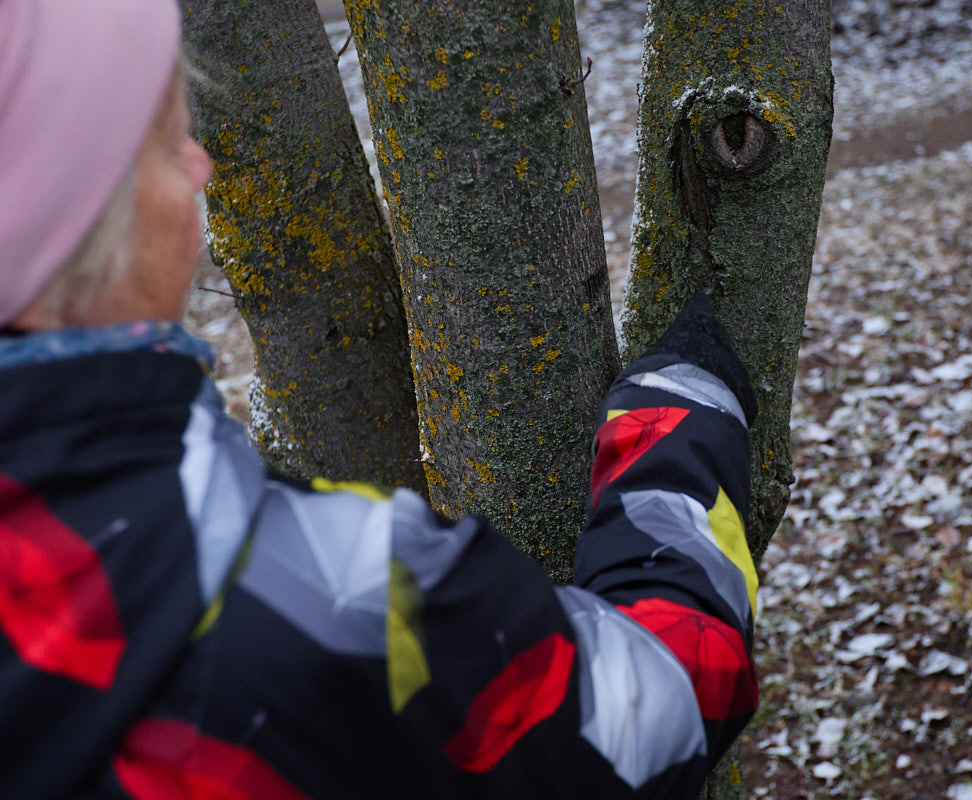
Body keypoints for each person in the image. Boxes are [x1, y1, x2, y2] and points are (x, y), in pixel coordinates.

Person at [0, 0, 761, 797]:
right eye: (164, 143)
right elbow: (658, 703)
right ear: (67, 224)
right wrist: (680, 412)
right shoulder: (320, 600)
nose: (199, 167)